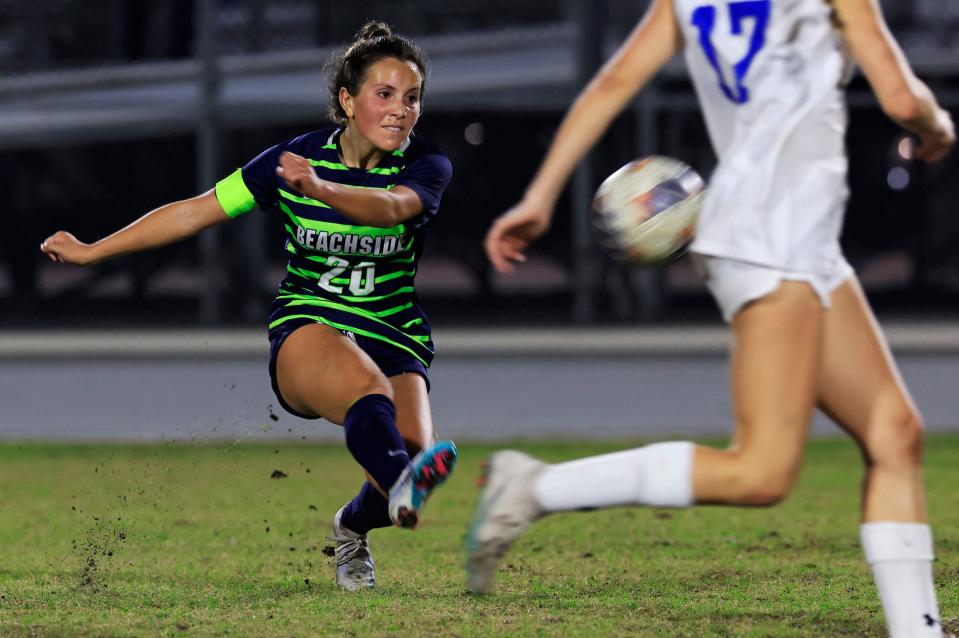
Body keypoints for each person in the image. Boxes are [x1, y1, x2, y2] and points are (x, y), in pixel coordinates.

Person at [468, 1, 954, 636]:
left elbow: (612, 83)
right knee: (761, 472)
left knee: (894, 432)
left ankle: (915, 630)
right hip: (771, 240)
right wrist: (938, 125)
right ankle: (533, 487)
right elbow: (899, 96)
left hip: (787, 239)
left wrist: (540, 194)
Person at [41, 21, 458, 593]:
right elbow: (195, 210)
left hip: (393, 329)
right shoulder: (290, 161)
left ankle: (353, 526)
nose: (400, 110)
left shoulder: (426, 165)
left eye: (411, 98)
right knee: (374, 402)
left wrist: (322, 190)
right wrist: (95, 251)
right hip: (312, 323)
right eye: (384, 94)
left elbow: (390, 209)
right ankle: (402, 480)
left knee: (411, 460)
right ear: (346, 100)